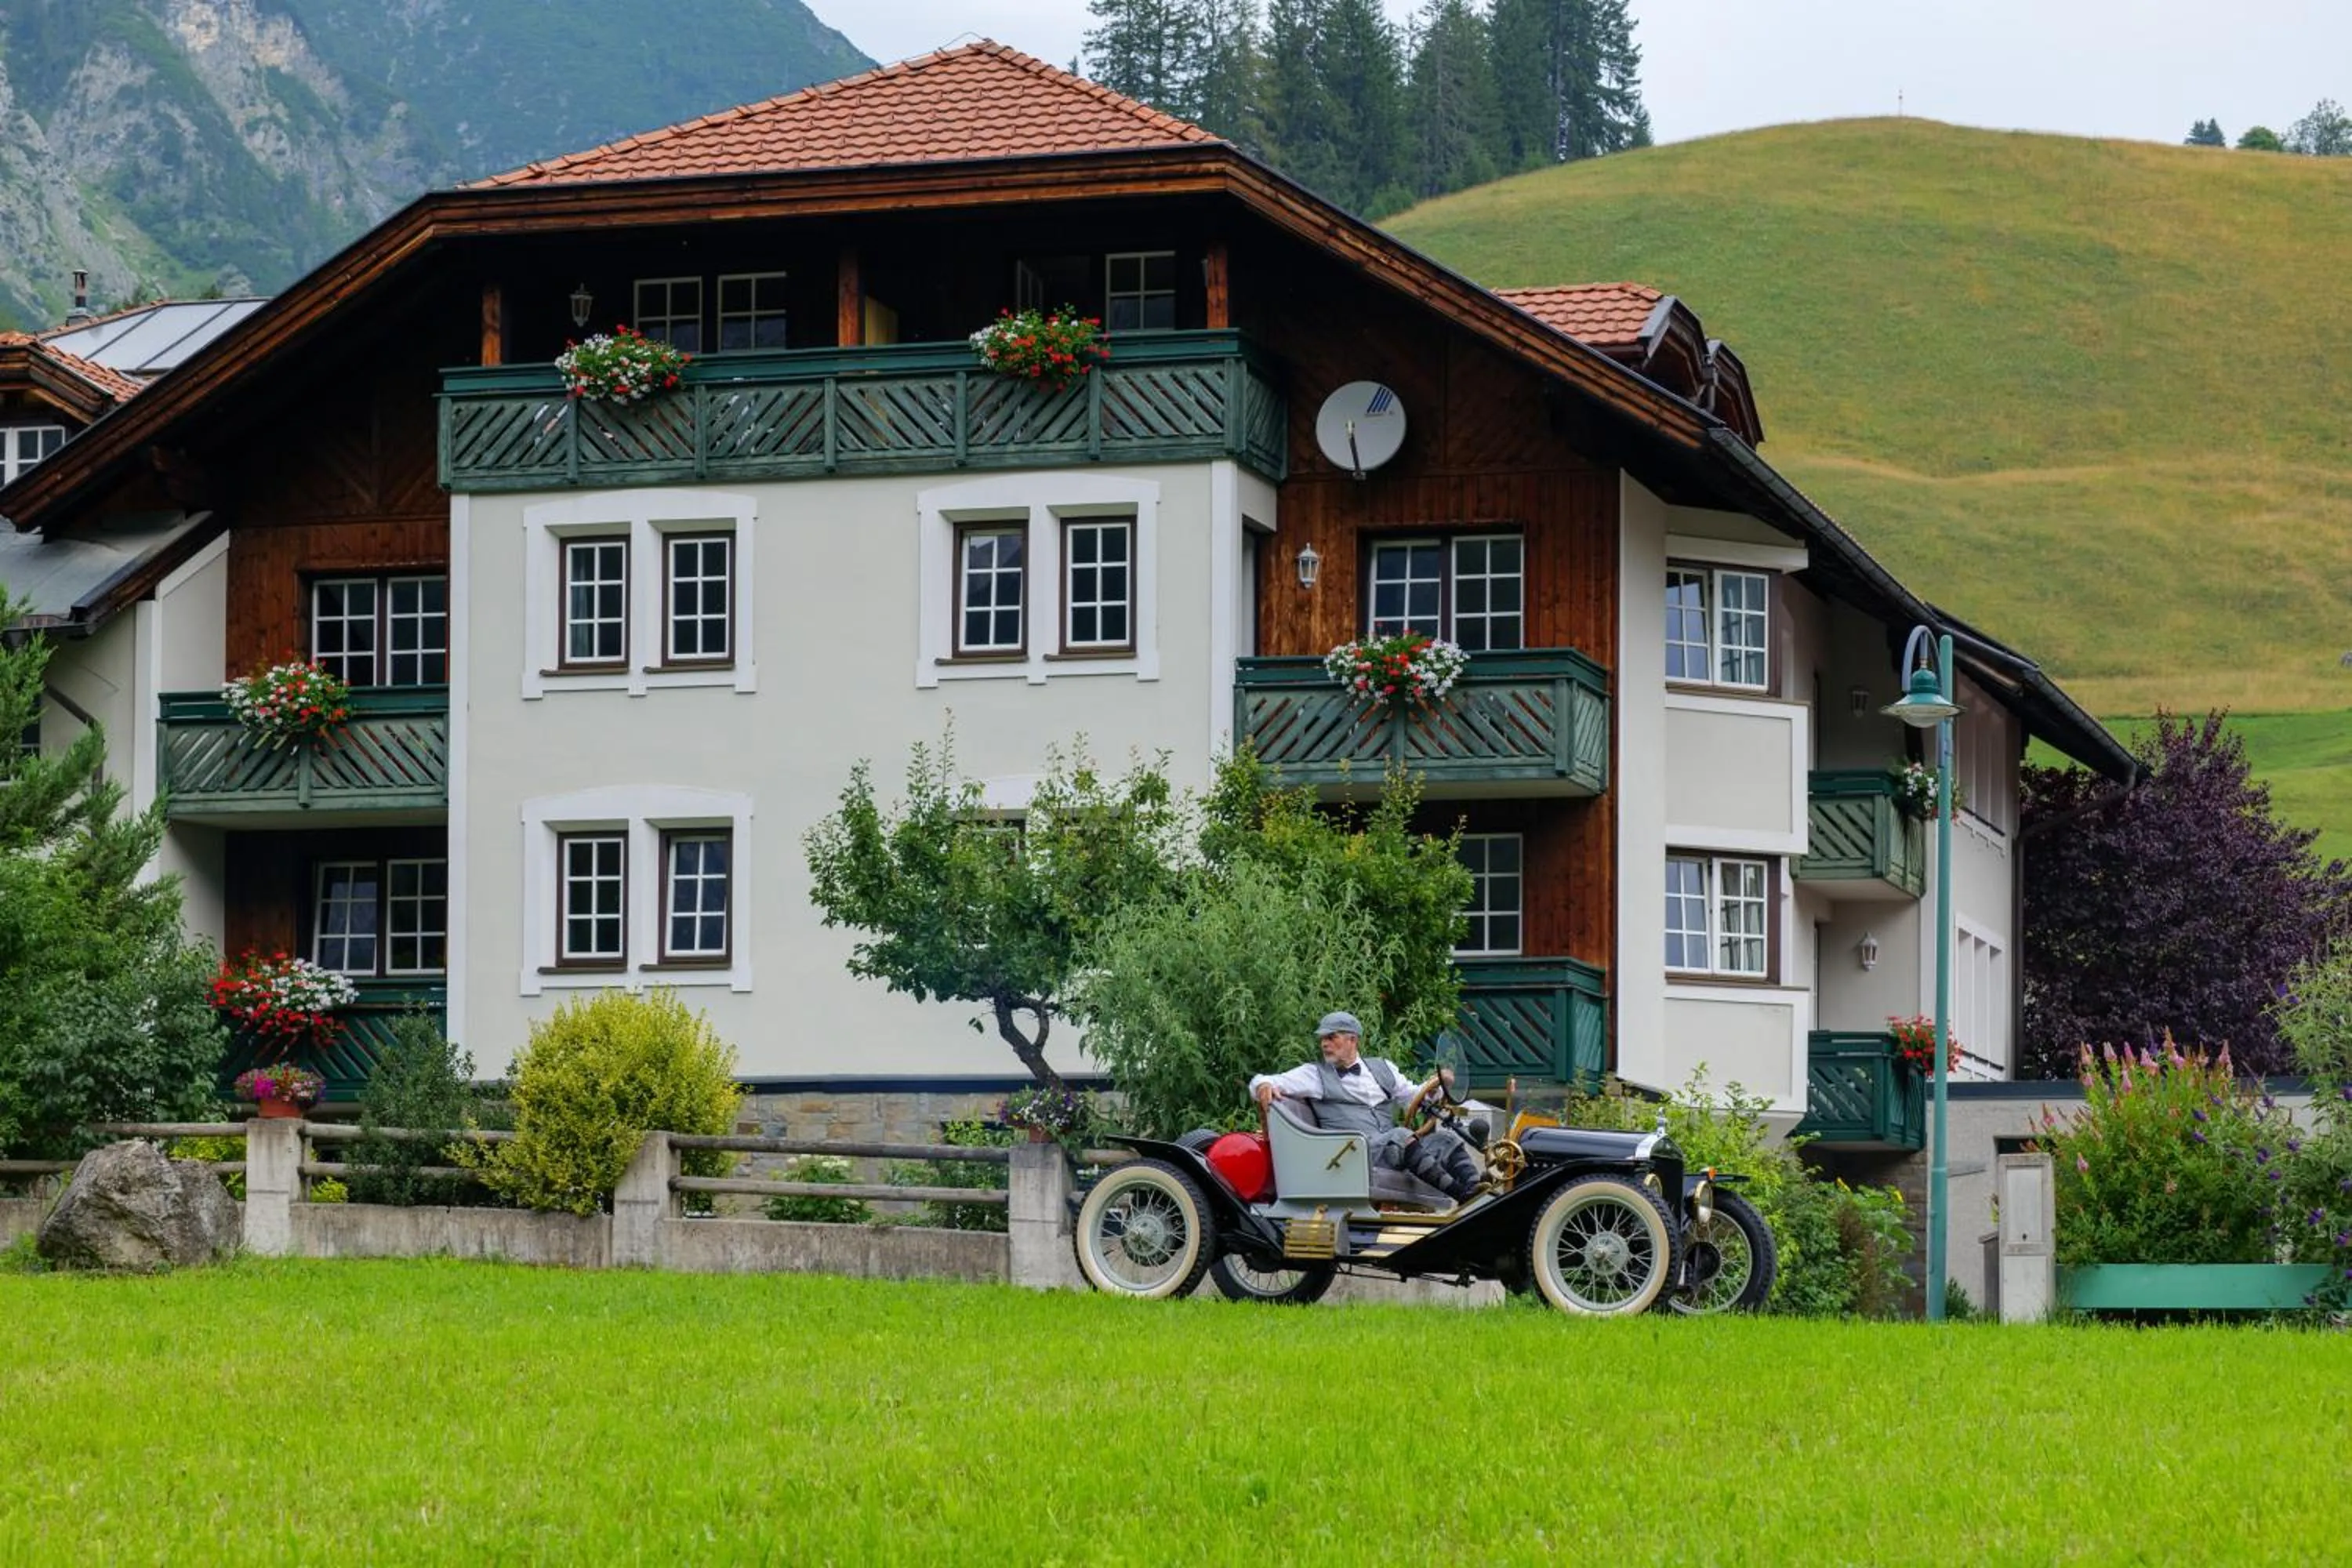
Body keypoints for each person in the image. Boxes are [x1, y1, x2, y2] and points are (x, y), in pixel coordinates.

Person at [1248, 1011, 1483, 1202]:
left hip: (1389, 1150)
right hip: (1352, 1155)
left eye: (1332, 1037)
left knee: (1446, 1140)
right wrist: (1263, 1086)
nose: (1325, 1043)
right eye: (1323, 1039)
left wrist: (1435, 1088)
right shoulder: (1315, 1075)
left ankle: (1477, 1190)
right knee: (1401, 1136)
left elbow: (1414, 1097)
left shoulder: (1384, 1068)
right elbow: (1263, 1080)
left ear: (1353, 1039)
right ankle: (1461, 1195)